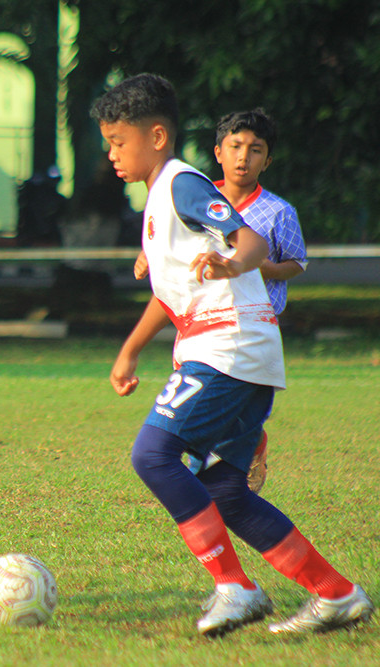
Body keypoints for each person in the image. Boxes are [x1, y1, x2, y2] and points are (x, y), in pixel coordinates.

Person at [92, 73, 373, 636]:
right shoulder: (158, 201)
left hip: (229, 347)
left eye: (118, 141)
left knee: (153, 455)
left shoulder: (182, 184)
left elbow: (253, 242)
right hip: (241, 350)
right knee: (225, 492)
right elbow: (171, 296)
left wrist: (232, 263)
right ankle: (337, 595)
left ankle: (235, 588)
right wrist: (129, 351)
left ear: (156, 135)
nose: (111, 154)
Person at [134, 108, 308, 492]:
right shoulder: (192, 194)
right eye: (235, 146)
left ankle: (223, 476)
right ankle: (221, 477)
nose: (243, 157)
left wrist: (262, 269)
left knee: (215, 420)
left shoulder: (278, 211)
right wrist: (147, 256)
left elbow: (296, 262)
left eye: (255, 149)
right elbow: (169, 242)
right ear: (218, 152)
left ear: (267, 160)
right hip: (199, 322)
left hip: (250, 327)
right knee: (201, 412)